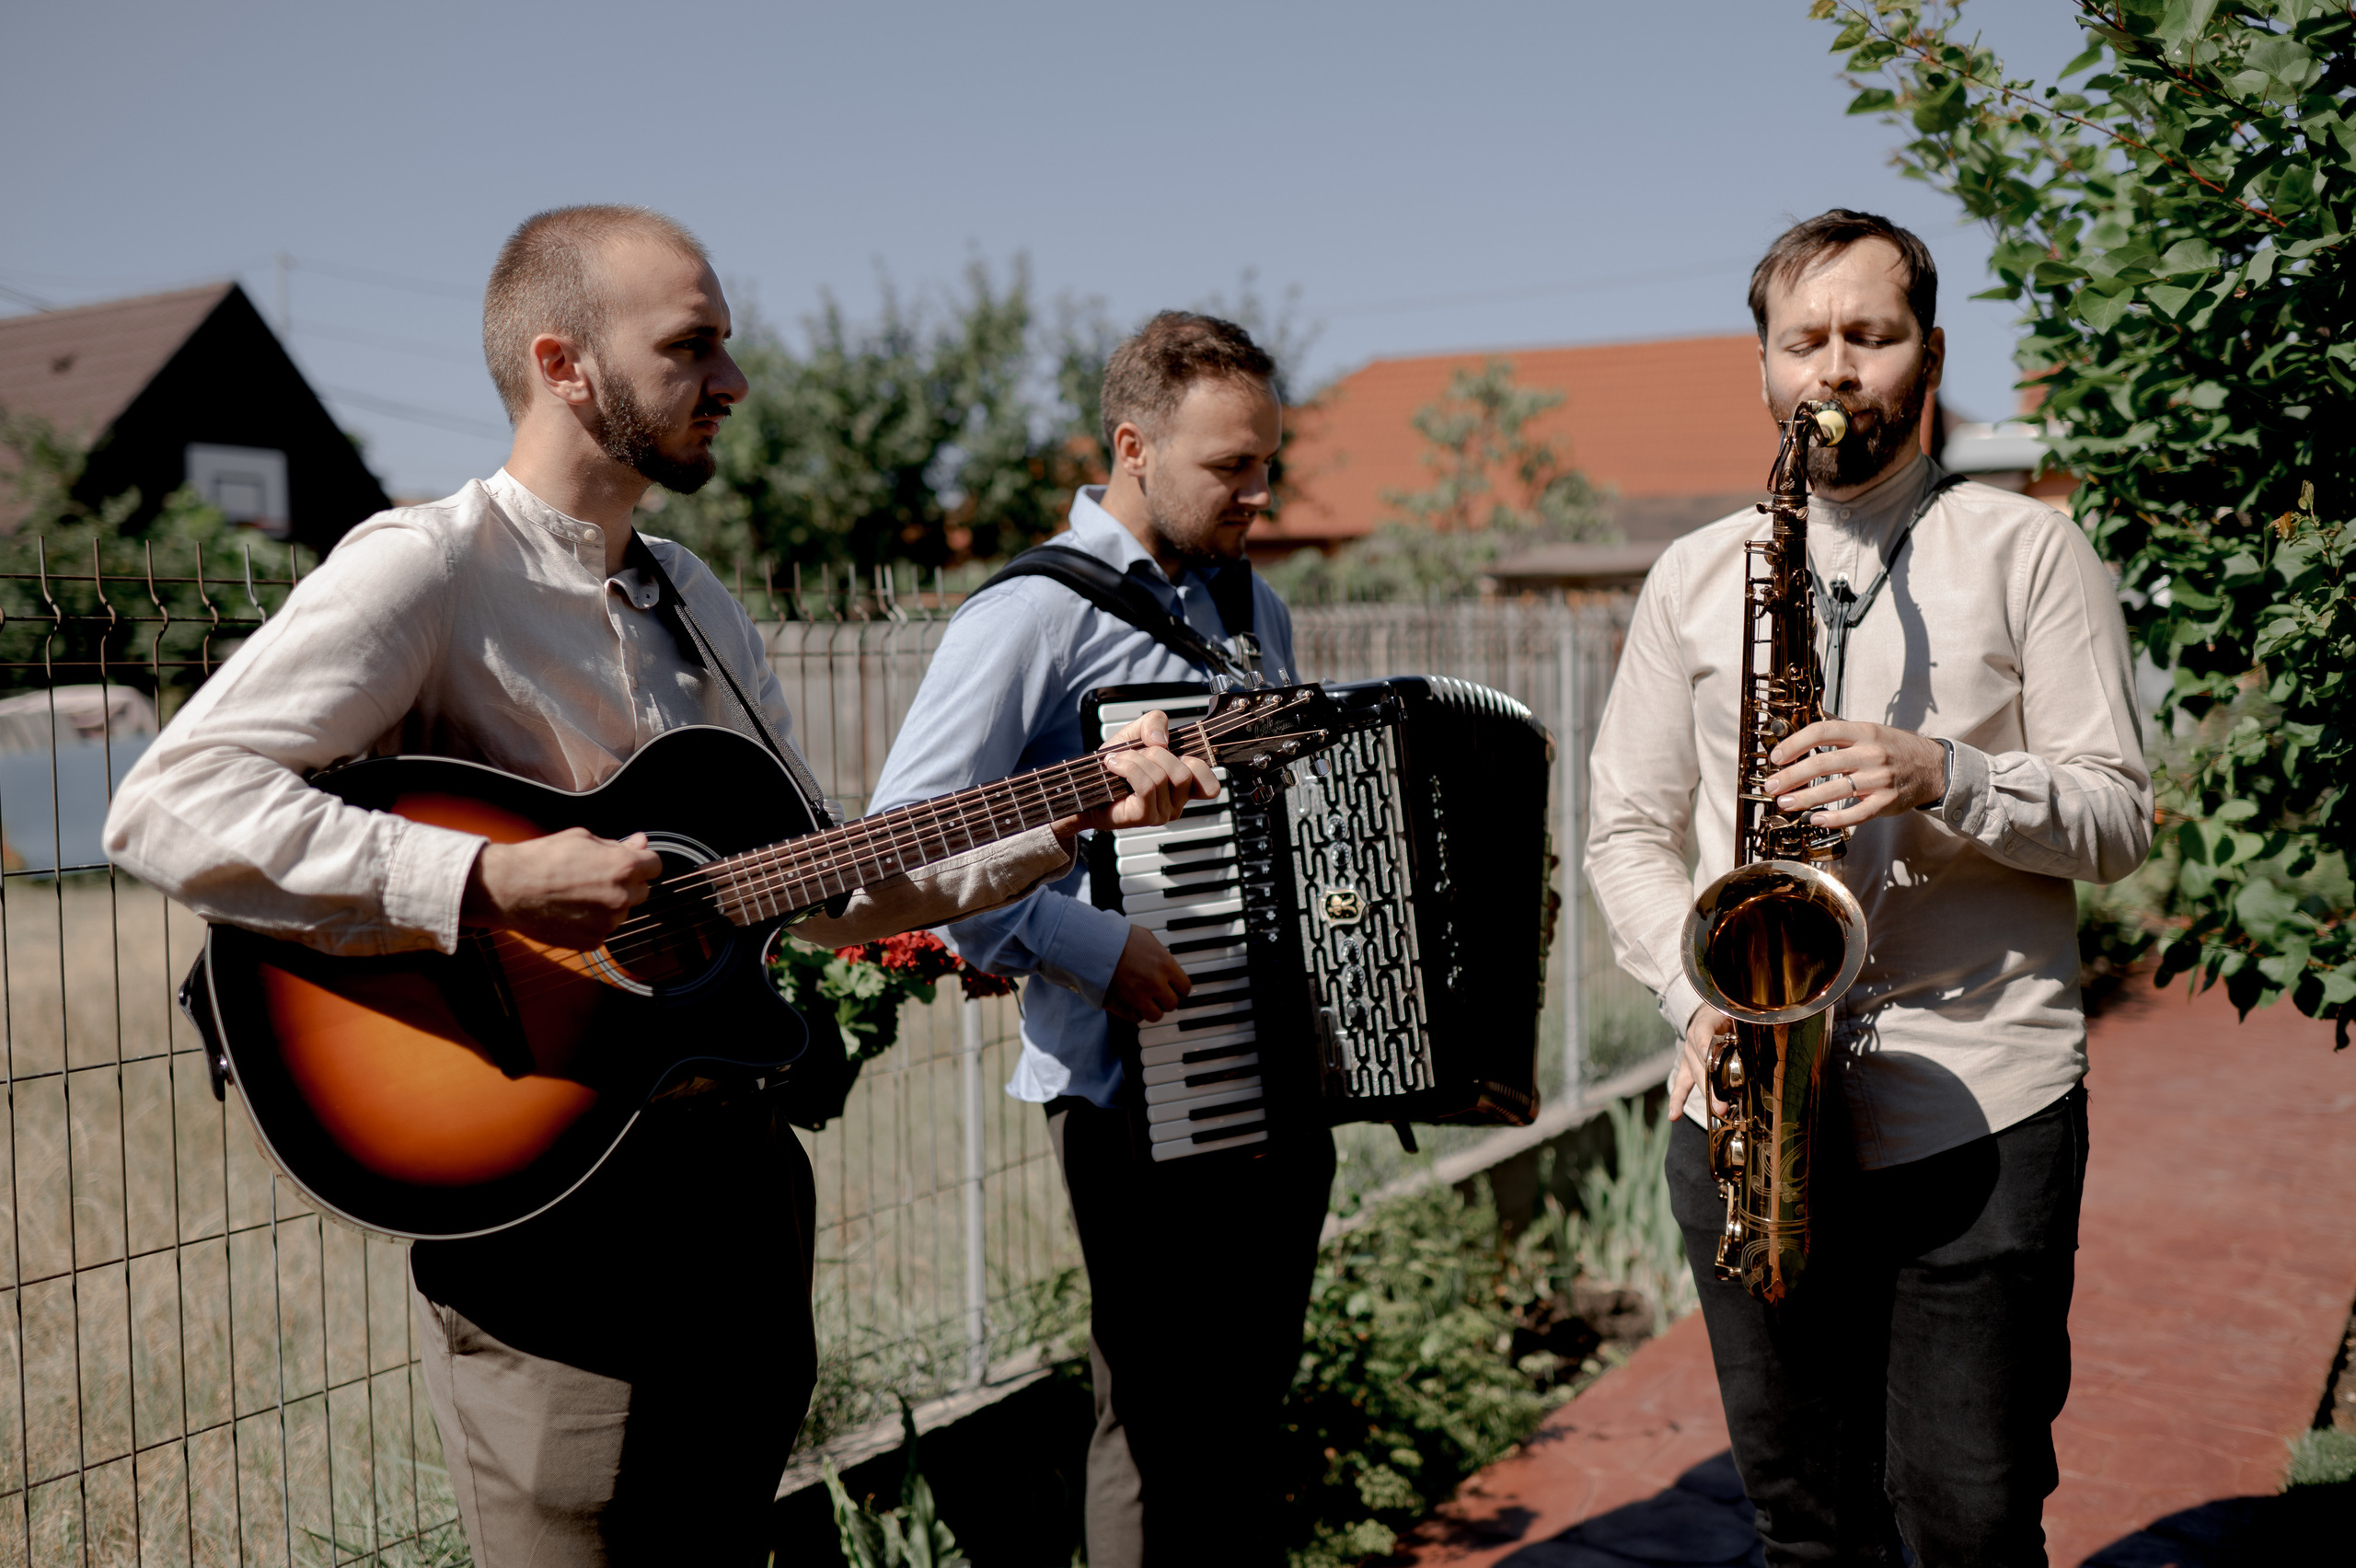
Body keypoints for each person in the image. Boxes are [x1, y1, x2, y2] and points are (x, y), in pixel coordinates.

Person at [101, 205, 1216, 1566]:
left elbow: (828, 887)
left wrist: (1071, 814)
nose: (733, 383)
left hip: (735, 1190)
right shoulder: (432, 567)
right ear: (563, 363)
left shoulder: (693, 598)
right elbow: (170, 801)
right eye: (692, 347)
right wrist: (488, 878)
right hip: (545, 1201)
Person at [1583, 209, 2151, 1566]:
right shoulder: (1694, 575)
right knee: (1804, 1530)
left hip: (1980, 1109)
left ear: (1930, 356)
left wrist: (1946, 773)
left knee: (1970, 1523)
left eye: (1870, 336)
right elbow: (1626, 834)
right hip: (1747, 1106)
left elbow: (2118, 817)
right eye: (1804, 342)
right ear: (1763, 369)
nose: (1834, 369)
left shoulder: (2029, 551)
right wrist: (1697, 995)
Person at [867, 312, 1328, 1568]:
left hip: (1271, 1070)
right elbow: (901, 849)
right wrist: (1081, 940)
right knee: (1157, 1421)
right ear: (1134, 448)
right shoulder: (1033, 616)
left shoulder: (1252, 605)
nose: (1260, 493)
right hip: (1127, 1090)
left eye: (1266, 463)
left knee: (1248, 1407)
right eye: (1231, 467)